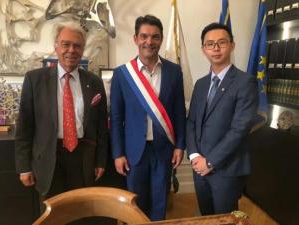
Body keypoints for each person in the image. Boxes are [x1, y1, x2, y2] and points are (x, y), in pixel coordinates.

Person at [15, 22, 108, 199]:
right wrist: (24, 167)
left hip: (83, 159)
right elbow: (24, 127)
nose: (71, 50)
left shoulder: (94, 81)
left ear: (82, 50)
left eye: (77, 45)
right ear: (56, 47)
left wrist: (100, 161)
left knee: (81, 210)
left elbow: (101, 127)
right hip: (49, 159)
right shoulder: (35, 80)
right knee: (53, 214)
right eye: (66, 44)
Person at [110, 15, 186, 221]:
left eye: (155, 37)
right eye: (144, 36)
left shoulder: (174, 71)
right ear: (135, 39)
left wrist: (180, 145)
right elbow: (116, 118)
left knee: (160, 201)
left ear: (161, 40)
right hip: (134, 151)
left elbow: (179, 112)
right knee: (135, 203)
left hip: (164, 149)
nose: (149, 42)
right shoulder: (122, 74)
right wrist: (118, 153)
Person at [186, 22, 258, 215]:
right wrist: (194, 157)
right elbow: (191, 122)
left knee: (225, 219)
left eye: (221, 42)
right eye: (209, 44)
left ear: (232, 45)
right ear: (203, 49)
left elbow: (239, 130)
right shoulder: (200, 84)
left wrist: (210, 162)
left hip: (227, 169)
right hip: (199, 167)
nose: (215, 48)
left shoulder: (245, 82)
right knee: (206, 217)